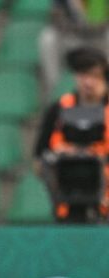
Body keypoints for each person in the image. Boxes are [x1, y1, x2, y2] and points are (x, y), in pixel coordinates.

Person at [34, 46, 109, 223]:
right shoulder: (59, 109)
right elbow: (38, 159)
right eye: (84, 75)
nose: (88, 83)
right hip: (68, 201)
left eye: (95, 76)